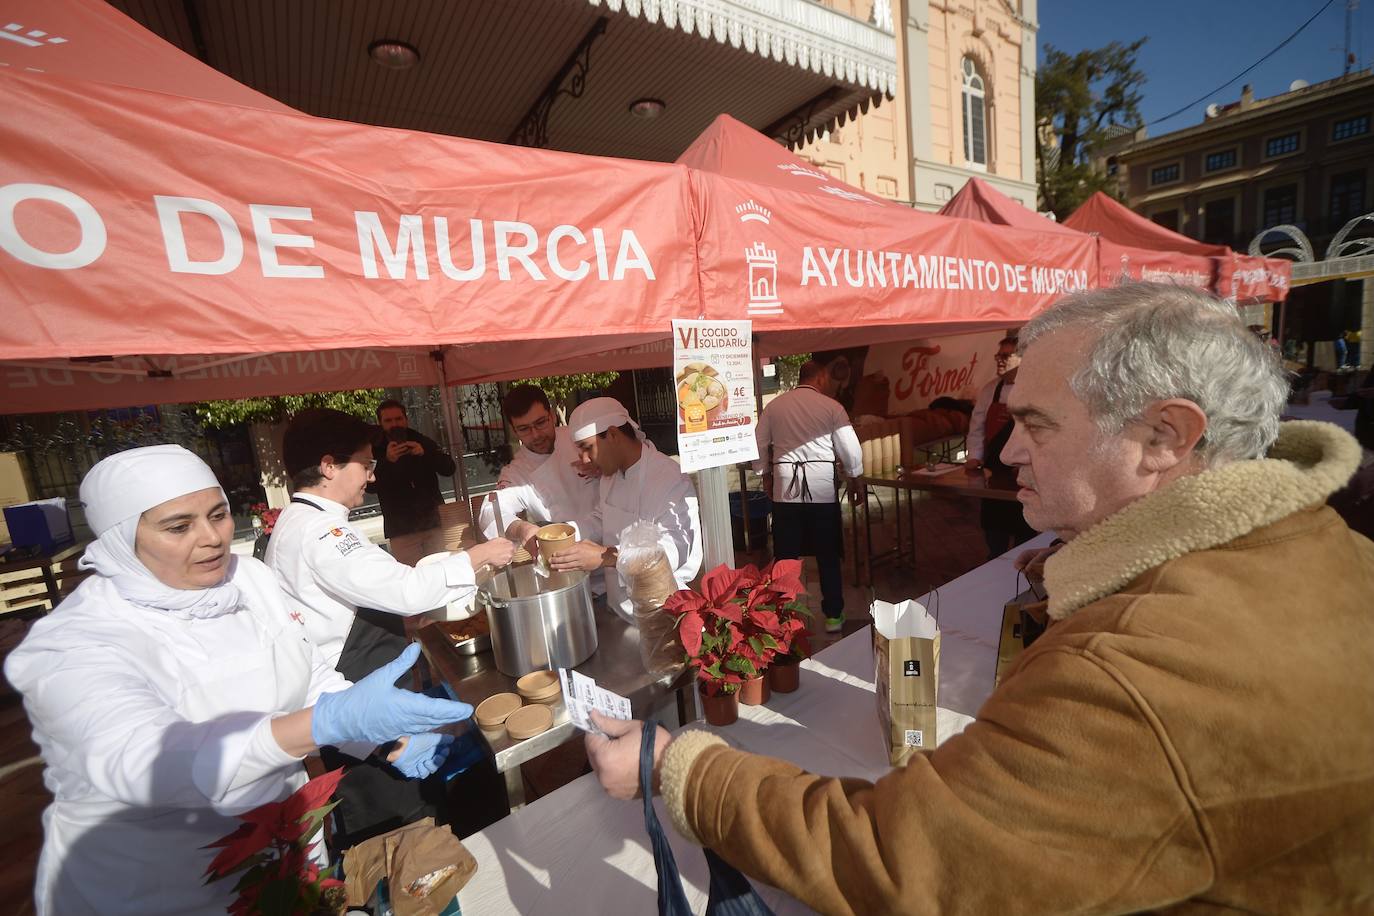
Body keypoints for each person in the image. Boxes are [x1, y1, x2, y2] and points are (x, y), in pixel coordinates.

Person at [586, 283, 1374, 914]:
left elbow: (902, 863)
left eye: (1036, 422)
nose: (1005, 447)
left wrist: (677, 765)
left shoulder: (1138, 667)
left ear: (1166, 437)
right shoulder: (1329, 548)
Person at [3, 445, 474, 915]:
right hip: (161, 886)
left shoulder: (247, 580)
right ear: (123, 539)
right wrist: (326, 723)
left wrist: (384, 737)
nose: (211, 538)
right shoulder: (74, 644)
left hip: (278, 854)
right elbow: (145, 764)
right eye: (178, 526)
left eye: (218, 514)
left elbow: (304, 676)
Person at [266, 408, 514, 675]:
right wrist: (481, 554)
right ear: (329, 467)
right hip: (351, 684)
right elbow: (407, 589)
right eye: (365, 465)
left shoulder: (300, 520)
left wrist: (401, 622)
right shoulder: (320, 532)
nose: (371, 476)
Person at [548, 397, 702, 623]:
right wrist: (563, 535)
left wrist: (606, 558)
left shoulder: (668, 477)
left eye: (587, 448)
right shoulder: (609, 476)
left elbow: (674, 550)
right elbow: (602, 518)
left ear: (612, 434)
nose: (584, 458)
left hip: (660, 613)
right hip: (619, 609)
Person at [752, 359, 862, 633]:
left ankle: (785, 616)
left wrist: (764, 473)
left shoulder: (775, 406)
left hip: (785, 488)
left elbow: (758, 442)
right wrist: (855, 477)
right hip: (821, 490)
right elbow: (850, 448)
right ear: (821, 378)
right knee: (827, 553)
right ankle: (834, 615)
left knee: (786, 555)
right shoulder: (831, 407)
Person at [477, 384, 599, 549]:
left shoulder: (580, 440)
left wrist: (602, 467)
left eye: (540, 423)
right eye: (524, 429)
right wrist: (521, 529)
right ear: (514, 431)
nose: (536, 435)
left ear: (552, 416)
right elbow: (490, 511)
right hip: (565, 554)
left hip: (612, 542)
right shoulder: (517, 472)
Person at [965, 334, 1036, 557]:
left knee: (1024, 526)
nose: (999, 360)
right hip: (994, 470)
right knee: (994, 525)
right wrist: (974, 456)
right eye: (998, 355)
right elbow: (977, 426)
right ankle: (995, 560)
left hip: (1024, 471)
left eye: (1006, 355)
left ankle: (1020, 564)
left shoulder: (1035, 388)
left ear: (1023, 357)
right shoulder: (990, 390)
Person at [369, 399, 457, 566]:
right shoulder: (374, 450)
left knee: (443, 571)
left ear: (406, 419)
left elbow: (449, 468)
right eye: (388, 420)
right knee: (411, 576)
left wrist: (426, 453)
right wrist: (387, 461)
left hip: (433, 523)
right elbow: (369, 487)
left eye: (398, 419)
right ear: (380, 423)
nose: (395, 424)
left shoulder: (421, 440)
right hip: (401, 529)